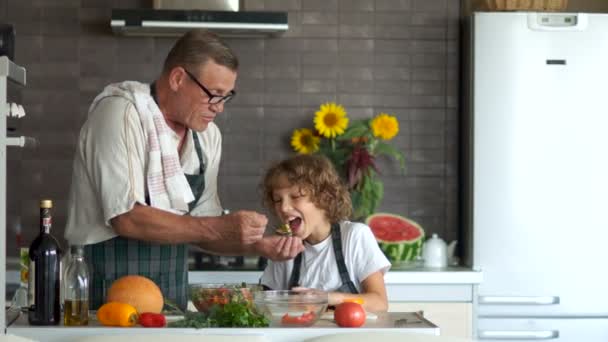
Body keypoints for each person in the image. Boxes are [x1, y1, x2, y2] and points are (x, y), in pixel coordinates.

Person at [64, 29, 304, 310]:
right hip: (105, 291)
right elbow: (126, 218)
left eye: (226, 97)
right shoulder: (120, 114)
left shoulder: (207, 137)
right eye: (213, 95)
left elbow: (204, 224)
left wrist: (256, 246)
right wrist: (220, 227)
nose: (219, 108)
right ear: (178, 79)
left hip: (172, 298)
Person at [259, 154, 391, 312]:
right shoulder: (284, 249)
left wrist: (327, 298)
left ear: (324, 198)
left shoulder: (354, 236)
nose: (284, 208)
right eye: (277, 200)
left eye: (295, 197)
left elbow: (380, 303)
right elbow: (265, 304)